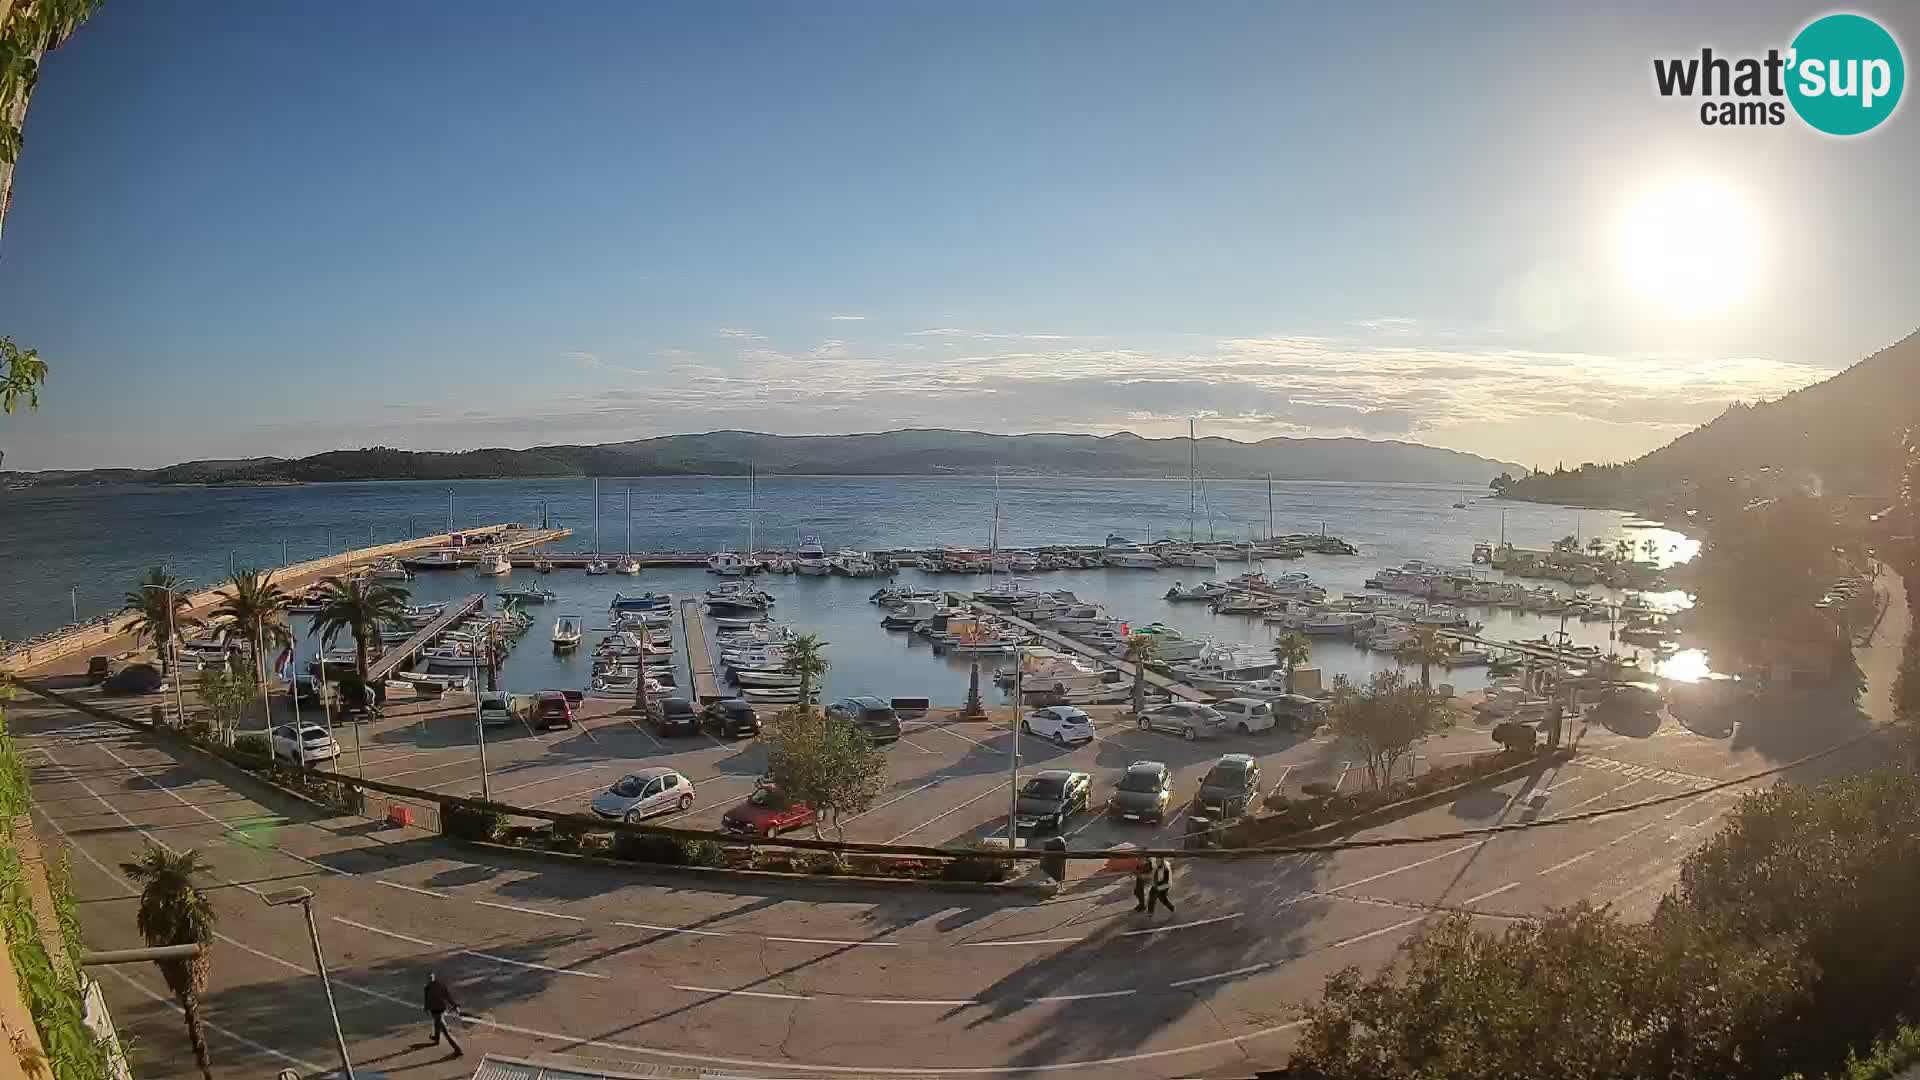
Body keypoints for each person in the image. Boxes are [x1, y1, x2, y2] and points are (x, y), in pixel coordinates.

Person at [424, 972, 463, 1057]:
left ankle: (457, 1049)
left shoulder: (430, 987)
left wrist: (455, 1005)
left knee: (445, 1031)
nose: (430, 979)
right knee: (436, 1023)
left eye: (430, 977)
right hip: (438, 1009)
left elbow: (447, 996)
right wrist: (454, 1005)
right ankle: (436, 1038)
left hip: (437, 1010)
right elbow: (447, 996)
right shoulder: (437, 986)